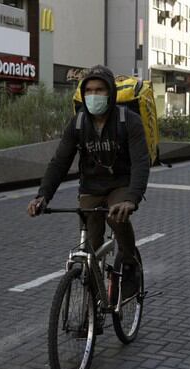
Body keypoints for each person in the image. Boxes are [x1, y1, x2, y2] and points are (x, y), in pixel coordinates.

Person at [27, 65, 150, 298]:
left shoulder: (129, 121)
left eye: (100, 90)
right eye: (89, 90)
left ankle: (131, 263)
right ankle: (92, 305)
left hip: (120, 184)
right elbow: (59, 163)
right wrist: (43, 196)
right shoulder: (78, 124)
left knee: (116, 216)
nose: (94, 95)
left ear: (111, 93)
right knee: (90, 248)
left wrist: (132, 199)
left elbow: (141, 162)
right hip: (91, 187)